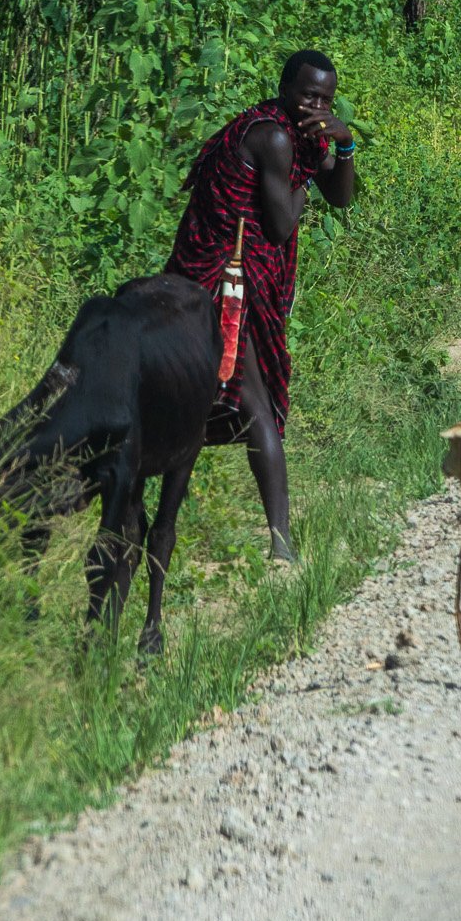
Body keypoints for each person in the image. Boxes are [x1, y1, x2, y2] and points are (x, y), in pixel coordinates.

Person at [166, 49, 357, 562]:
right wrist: (306, 178)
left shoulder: (296, 136)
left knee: (221, 406)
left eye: (326, 99)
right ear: (284, 90)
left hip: (233, 280)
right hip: (222, 285)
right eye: (307, 95)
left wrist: (345, 145)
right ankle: (281, 546)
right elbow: (280, 225)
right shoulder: (273, 135)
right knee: (259, 409)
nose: (315, 105)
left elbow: (343, 197)